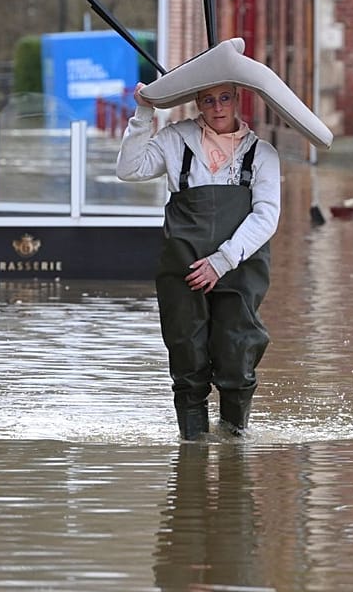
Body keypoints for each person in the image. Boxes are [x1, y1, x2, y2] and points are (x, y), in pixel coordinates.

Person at [116, 82, 281, 440]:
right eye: (208, 100)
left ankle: (234, 445)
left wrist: (222, 261)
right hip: (183, 266)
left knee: (237, 358)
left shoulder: (262, 154)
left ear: (237, 99)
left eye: (224, 98)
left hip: (240, 267)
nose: (217, 107)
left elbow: (266, 217)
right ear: (197, 102)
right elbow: (129, 169)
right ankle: (192, 448)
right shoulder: (176, 140)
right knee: (187, 360)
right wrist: (144, 112)